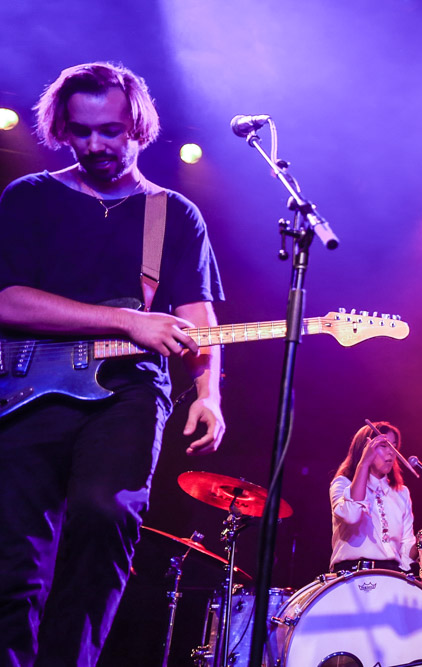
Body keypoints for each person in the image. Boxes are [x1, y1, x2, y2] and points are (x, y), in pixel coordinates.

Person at [0, 62, 225, 666]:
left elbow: (196, 314)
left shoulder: (173, 214)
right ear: (62, 130)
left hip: (128, 393)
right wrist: (127, 320)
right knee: (14, 555)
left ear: (139, 127)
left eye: (111, 131)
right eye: (81, 131)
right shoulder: (30, 198)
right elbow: (8, 301)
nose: (96, 144)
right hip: (25, 389)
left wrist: (209, 395)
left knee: (107, 515)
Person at [329, 421, 418, 574]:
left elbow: (406, 544)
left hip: (391, 575)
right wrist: (363, 464)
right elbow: (352, 516)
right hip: (351, 574)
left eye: (393, 446)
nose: (391, 452)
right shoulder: (342, 483)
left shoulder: (401, 492)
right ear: (365, 449)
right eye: (384, 445)